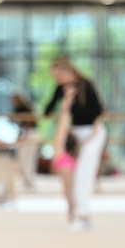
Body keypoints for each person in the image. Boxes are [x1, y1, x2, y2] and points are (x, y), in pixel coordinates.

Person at [44, 56, 105, 231]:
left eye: (59, 76)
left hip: (93, 133)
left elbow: (97, 111)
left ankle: (82, 213)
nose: (57, 80)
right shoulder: (61, 88)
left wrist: (92, 132)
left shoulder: (86, 85)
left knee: (84, 173)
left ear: (68, 72)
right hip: (75, 134)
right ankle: (79, 212)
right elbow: (48, 109)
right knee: (72, 176)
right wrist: (64, 102)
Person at [51, 86, 77, 222]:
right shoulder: (61, 135)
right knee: (68, 189)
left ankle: (72, 210)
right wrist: (69, 98)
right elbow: (65, 115)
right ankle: (72, 210)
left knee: (68, 189)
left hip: (65, 160)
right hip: (64, 161)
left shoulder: (64, 138)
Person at [11, 93, 41, 190]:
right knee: (23, 158)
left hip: (31, 135)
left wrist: (23, 137)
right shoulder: (21, 110)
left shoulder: (25, 111)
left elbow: (29, 124)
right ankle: (27, 179)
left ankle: (29, 180)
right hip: (27, 135)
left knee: (27, 159)